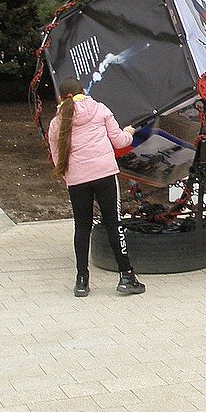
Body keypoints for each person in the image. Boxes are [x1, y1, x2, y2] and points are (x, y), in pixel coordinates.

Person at [48, 77, 146, 298]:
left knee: (82, 227)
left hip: (76, 179)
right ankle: (126, 275)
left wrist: (69, 175)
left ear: (61, 97)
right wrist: (129, 132)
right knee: (113, 223)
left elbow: (56, 156)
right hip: (104, 174)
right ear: (83, 91)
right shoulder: (100, 109)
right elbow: (120, 141)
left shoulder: (57, 122)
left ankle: (82, 280)